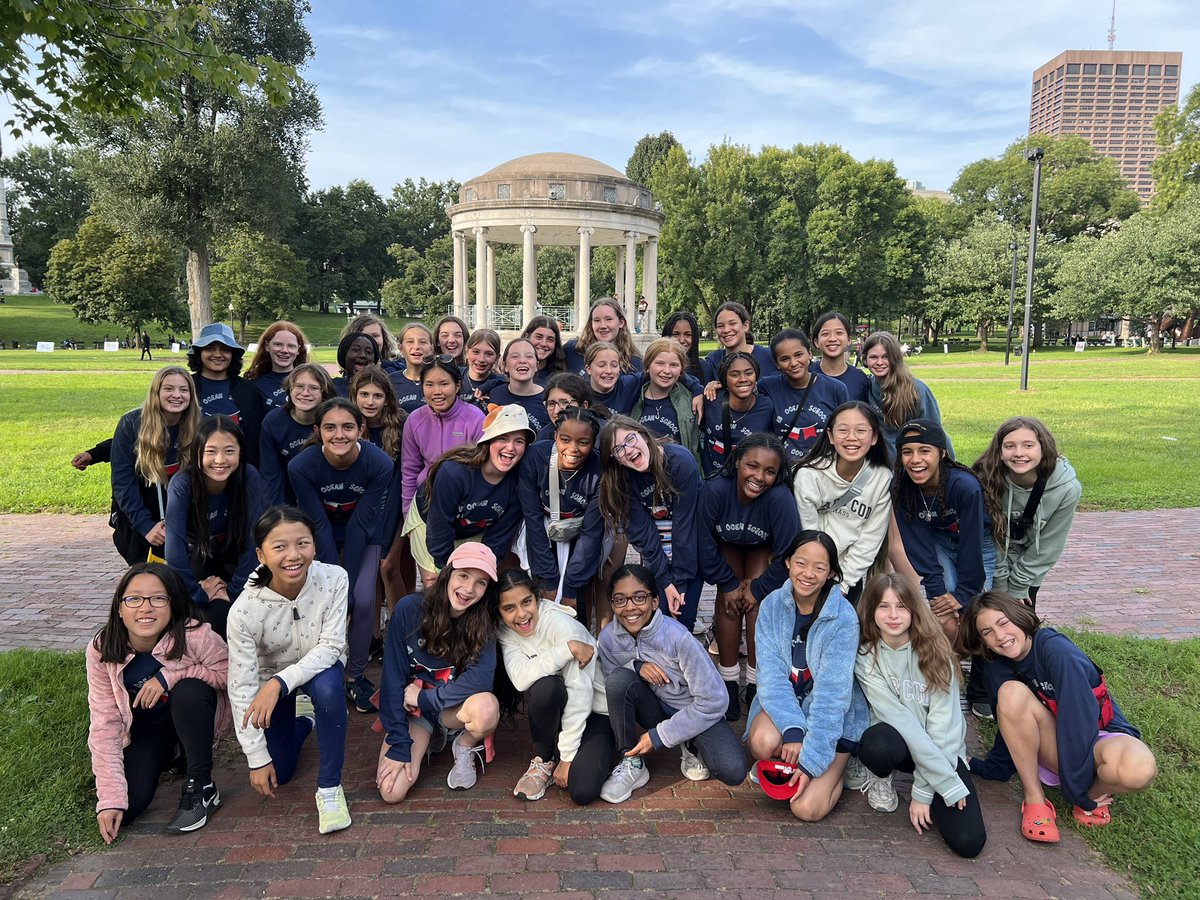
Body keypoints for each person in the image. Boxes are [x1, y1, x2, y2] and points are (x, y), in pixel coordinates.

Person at [963, 591, 1156, 843]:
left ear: (1020, 617)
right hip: (1053, 742)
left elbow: (1078, 720)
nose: (1000, 637)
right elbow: (1009, 723)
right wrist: (994, 769)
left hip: (1099, 736)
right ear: (982, 641)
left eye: (1003, 623)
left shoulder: (1054, 648)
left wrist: (1078, 793)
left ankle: (1090, 794)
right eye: (987, 632)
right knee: (1010, 692)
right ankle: (1035, 799)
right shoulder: (996, 665)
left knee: (1139, 769)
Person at [226, 506, 353, 834]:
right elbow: (241, 686)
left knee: (328, 690)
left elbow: (331, 646)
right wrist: (256, 757)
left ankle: (329, 788)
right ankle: (305, 720)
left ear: (314, 545)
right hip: (271, 680)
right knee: (279, 772)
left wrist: (281, 683)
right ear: (261, 553)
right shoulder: (243, 611)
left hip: (317, 667)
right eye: (279, 547)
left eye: (303, 543)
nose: (293, 555)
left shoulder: (335, 579)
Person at [87, 562, 230, 841]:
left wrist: (170, 677)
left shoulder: (195, 635)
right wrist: (110, 799)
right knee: (127, 808)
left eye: (158, 598)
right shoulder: (102, 649)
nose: (145, 608)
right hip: (148, 729)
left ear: (173, 605)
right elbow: (104, 722)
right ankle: (169, 756)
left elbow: (229, 675)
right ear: (119, 607)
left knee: (189, 690)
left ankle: (202, 787)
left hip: (192, 718)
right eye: (134, 599)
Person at [853, 574, 986, 858]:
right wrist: (942, 785)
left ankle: (926, 782)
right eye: (883, 606)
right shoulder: (867, 656)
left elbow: (946, 729)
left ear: (914, 610)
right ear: (870, 611)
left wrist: (924, 791)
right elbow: (899, 718)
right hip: (898, 744)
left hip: (942, 750)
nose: (893, 616)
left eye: (901, 606)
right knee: (876, 743)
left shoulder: (936, 653)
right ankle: (882, 775)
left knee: (968, 842)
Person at [596, 564, 747, 803]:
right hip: (652, 706)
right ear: (612, 605)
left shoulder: (678, 637)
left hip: (692, 711)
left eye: (639, 597)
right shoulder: (608, 638)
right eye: (620, 600)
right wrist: (636, 666)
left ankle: (689, 743)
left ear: (655, 601)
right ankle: (632, 762)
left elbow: (714, 701)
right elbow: (609, 678)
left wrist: (659, 736)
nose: (630, 607)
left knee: (733, 770)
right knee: (617, 681)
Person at [746, 531, 869, 822]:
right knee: (762, 742)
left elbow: (832, 696)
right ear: (788, 562)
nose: (808, 574)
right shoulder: (772, 606)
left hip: (831, 717)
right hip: (789, 701)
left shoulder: (843, 618)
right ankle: (792, 755)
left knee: (806, 809)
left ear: (831, 574)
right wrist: (793, 732)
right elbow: (772, 678)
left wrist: (812, 763)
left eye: (820, 567)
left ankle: (840, 764)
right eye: (801, 563)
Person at [288, 398, 393, 714]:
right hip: (319, 537)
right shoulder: (301, 466)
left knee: (360, 600)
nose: (339, 435)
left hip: (363, 534)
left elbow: (361, 525)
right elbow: (317, 523)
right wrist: (335, 586)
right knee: (316, 601)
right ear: (318, 431)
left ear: (361, 429)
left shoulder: (380, 463)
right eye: (330, 427)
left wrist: (344, 585)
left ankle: (355, 675)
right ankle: (315, 672)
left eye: (348, 427)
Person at [376, 544, 502, 800]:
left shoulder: (483, 622)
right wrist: (400, 743)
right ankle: (428, 740)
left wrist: (425, 698)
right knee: (392, 792)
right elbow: (392, 679)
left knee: (486, 709)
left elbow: (481, 680)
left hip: (448, 710)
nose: (468, 589)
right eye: (463, 575)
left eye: (481, 583)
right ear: (448, 573)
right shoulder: (409, 609)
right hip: (415, 713)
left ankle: (463, 744)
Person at [700, 434, 800, 721]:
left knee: (757, 603)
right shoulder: (716, 489)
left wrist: (759, 588)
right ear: (737, 462)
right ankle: (728, 679)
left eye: (769, 471)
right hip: (726, 544)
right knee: (729, 599)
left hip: (763, 548)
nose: (759, 477)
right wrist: (729, 583)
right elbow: (703, 542)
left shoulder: (780, 498)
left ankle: (757, 682)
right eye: (752, 466)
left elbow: (787, 555)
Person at [496, 568, 615, 804]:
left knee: (582, 790)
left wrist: (569, 757)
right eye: (509, 608)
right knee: (546, 687)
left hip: (595, 709)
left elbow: (580, 694)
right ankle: (544, 760)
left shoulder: (562, 626)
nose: (521, 615)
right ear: (499, 612)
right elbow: (520, 679)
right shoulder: (506, 631)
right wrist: (566, 650)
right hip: (561, 706)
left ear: (537, 598)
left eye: (526, 602)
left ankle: (596, 750)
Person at [403, 404, 533, 587]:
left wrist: (482, 569)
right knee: (436, 583)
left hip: (476, 528)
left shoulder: (519, 484)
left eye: (519, 441)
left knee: (474, 583)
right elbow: (439, 529)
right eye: (502, 438)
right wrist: (447, 572)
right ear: (488, 442)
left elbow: (498, 540)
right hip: (431, 521)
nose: (510, 447)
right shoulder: (454, 473)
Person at [598, 416, 704, 632]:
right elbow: (644, 536)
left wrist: (680, 583)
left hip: (691, 551)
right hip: (659, 554)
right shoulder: (624, 478)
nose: (627, 450)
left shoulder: (680, 462)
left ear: (643, 434)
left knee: (682, 620)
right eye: (618, 450)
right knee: (660, 621)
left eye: (630, 439)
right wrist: (666, 582)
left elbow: (686, 527)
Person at [892, 420, 992, 642]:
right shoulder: (901, 488)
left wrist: (964, 594)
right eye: (907, 452)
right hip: (937, 541)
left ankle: (981, 663)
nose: (915, 459)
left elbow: (971, 546)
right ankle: (949, 661)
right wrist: (938, 592)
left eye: (925, 450)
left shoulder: (964, 486)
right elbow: (917, 543)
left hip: (977, 543)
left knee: (978, 610)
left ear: (942, 453)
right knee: (943, 609)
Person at [165, 416, 263, 638]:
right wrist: (200, 594)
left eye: (229, 451)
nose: (220, 459)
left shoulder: (249, 477)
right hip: (199, 555)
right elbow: (175, 552)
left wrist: (233, 590)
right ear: (197, 453)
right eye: (210, 451)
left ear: (240, 452)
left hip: (237, 558)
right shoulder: (182, 484)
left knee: (252, 610)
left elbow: (254, 540)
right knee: (214, 613)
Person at [972, 417, 1082, 610]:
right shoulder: (984, 480)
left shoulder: (1066, 489)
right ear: (999, 452)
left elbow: (1049, 546)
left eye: (1028, 445)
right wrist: (998, 583)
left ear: (1043, 448)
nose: (1019, 453)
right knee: (980, 620)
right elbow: (986, 537)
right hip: (990, 560)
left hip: (1030, 566)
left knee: (1020, 623)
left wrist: (1018, 587)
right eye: (1010, 446)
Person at [793, 402, 893, 605]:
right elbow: (808, 533)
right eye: (843, 430)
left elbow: (870, 538)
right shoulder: (809, 475)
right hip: (807, 571)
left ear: (874, 437)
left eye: (861, 431)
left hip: (848, 573)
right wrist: (816, 573)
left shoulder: (882, 478)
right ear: (830, 435)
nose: (851, 437)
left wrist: (843, 584)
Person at [518, 406, 605, 616]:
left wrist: (570, 587)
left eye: (583, 442)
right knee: (544, 598)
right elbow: (532, 518)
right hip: (542, 529)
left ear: (593, 443)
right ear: (555, 435)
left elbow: (591, 533)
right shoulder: (535, 457)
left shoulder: (600, 468)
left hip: (581, 530)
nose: (573, 449)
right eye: (565, 439)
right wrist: (549, 579)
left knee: (575, 604)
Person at [110, 366, 200, 564]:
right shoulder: (131, 424)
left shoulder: (201, 425)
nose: (177, 395)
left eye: (184, 390)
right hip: (140, 522)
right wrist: (145, 525)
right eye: (169, 388)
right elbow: (122, 482)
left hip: (187, 524)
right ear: (156, 392)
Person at [399, 357, 485, 519]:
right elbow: (410, 471)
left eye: (444, 384)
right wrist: (408, 514)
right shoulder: (415, 420)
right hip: (425, 503)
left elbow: (482, 471)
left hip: (464, 505)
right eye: (429, 384)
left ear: (457, 386)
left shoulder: (475, 418)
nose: (436, 391)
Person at [759, 328, 848, 464]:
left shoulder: (835, 388)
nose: (794, 363)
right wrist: (716, 386)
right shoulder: (767, 386)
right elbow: (741, 390)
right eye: (785, 359)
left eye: (799, 355)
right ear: (777, 364)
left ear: (810, 354)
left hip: (825, 468)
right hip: (785, 470)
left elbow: (847, 429)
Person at [186, 323, 265, 466]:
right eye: (210, 348)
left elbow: (255, 436)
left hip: (241, 471)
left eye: (225, 350)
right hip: (197, 470)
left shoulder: (248, 390)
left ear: (233, 354)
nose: (217, 354)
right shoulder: (187, 387)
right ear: (199, 353)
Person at [259, 364, 336, 506]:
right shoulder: (274, 421)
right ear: (290, 388)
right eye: (299, 386)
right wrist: (275, 515)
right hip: (289, 496)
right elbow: (270, 475)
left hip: (325, 497)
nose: (305, 393)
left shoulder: (334, 422)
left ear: (324, 393)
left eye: (313, 388)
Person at [863, 331, 949, 455]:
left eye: (886, 357)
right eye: (873, 357)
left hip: (911, 462)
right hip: (880, 463)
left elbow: (934, 431)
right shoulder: (866, 386)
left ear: (895, 358)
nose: (880, 362)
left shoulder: (916, 390)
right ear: (865, 360)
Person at [698, 351, 774, 478]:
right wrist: (696, 388)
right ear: (724, 379)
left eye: (749, 373)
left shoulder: (767, 406)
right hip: (713, 480)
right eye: (734, 375)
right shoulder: (711, 399)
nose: (743, 379)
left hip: (749, 482)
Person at [629, 337, 701, 462]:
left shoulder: (692, 401)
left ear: (681, 371)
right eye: (660, 363)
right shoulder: (632, 397)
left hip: (679, 473)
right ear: (647, 366)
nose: (666, 371)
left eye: (674, 365)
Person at [563, 298, 642, 375]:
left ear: (621, 322)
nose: (603, 326)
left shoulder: (635, 364)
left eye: (609, 319)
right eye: (597, 320)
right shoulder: (572, 350)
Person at [484, 337, 548, 432]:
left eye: (529, 356)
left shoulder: (549, 399)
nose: (522, 361)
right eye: (515, 356)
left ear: (536, 366)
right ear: (505, 366)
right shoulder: (493, 394)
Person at [701, 302, 776, 382]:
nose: (726, 330)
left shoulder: (769, 356)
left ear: (745, 325)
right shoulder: (713, 360)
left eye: (732, 323)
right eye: (720, 326)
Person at [244, 321, 310, 409]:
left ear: (298, 350)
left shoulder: (312, 379)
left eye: (291, 346)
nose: (284, 350)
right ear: (267, 346)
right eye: (278, 344)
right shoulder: (255, 384)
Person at [811, 312, 869, 403]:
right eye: (825, 334)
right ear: (816, 342)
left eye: (839, 333)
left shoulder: (859, 378)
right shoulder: (806, 374)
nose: (832, 338)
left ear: (849, 340)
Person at [389, 323, 434, 412]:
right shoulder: (390, 381)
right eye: (410, 342)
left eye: (423, 342)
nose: (416, 347)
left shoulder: (440, 380)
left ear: (431, 349)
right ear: (400, 348)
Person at [460, 328, 505, 409]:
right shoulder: (455, 376)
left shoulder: (500, 384)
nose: (481, 359)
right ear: (467, 352)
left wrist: (489, 384)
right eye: (476, 352)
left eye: (489, 354)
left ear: (497, 358)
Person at [520, 315, 567, 387]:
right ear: (527, 336)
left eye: (550, 339)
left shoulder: (561, 380)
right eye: (538, 337)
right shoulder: (509, 372)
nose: (543, 344)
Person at [331, 331, 381, 398]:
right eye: (356, 350)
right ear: (344, 354)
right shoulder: (331, 387)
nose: (363, 355)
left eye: (368, 352)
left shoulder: (383, 387)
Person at [661, 311, 705, 380]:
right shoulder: (656, 368)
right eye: (675, 334)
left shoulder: (705, 368)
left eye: (688, 335)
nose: (681, 340)